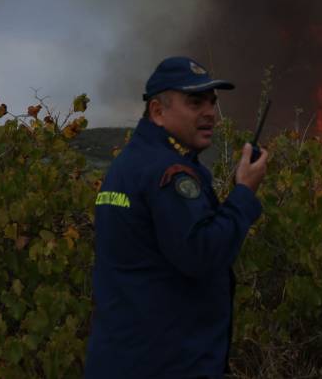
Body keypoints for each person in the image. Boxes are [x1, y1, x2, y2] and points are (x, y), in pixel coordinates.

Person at [85, 56, 269, 379]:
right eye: (194, 102)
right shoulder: (167, 174)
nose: (210, 112)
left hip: (124, 359)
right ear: (158, 111)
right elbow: (202, 253)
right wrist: (243, 194)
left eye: (212, 102)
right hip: (165, 364)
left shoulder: (128, 165)